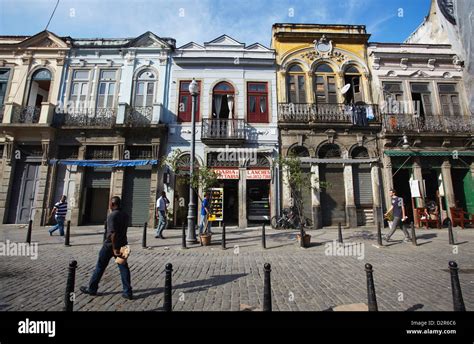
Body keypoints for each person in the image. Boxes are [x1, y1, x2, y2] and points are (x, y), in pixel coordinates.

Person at [80, 196, 132, 300]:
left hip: (110, 246)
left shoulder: (112, 215)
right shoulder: (125, 215)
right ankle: (127, 292)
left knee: (100, 266)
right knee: (124, 268)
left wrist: (114, 248)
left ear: (113, 204)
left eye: (110, 203)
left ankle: (92, 288)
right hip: (124, 245)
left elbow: (113, 233)